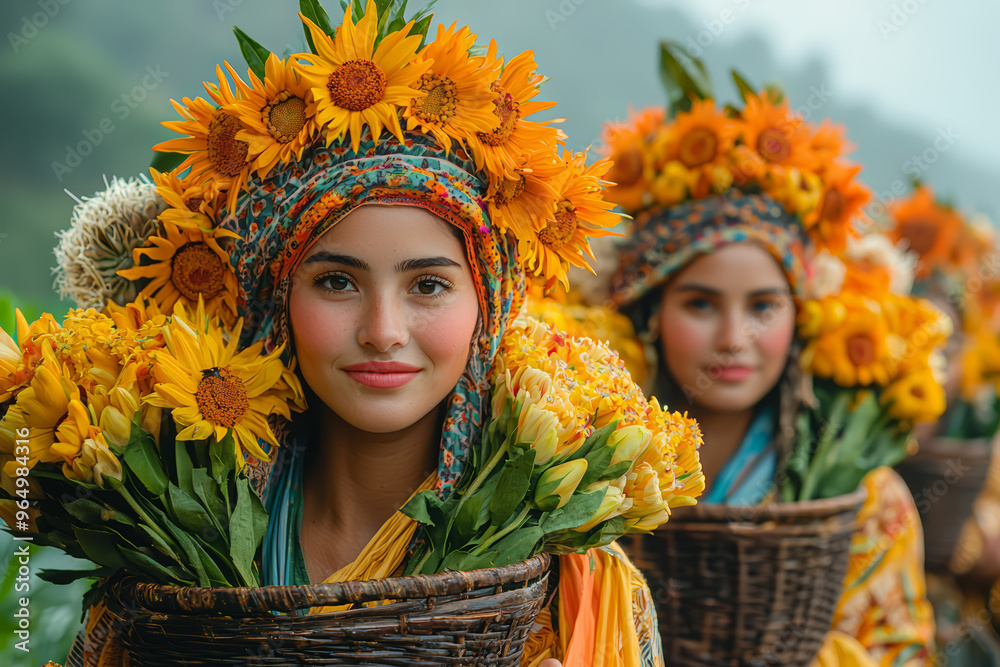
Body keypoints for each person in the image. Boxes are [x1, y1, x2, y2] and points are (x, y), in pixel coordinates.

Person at [57, 2, 675, 665]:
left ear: (489, 309)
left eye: (429, 285)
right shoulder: (166, 558)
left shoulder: (570, 590)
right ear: (274, 302)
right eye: (337, 282)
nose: (383, 332)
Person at [601, 87, 936, 665]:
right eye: (701, 305)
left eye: (763, 307)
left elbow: (900, 650)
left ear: (801, 314)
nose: (734, 338)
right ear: (650, 313)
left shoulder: (863, 502)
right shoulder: (588, 473)